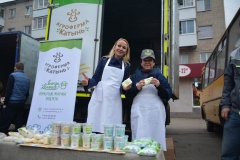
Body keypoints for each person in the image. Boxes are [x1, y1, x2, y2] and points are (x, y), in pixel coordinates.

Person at [125, 49, 172, 151]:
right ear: (141, 62)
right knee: (139, 136)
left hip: (155, 113)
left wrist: (159, 86)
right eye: (145, 60)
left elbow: (168, 95)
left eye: (150, 60)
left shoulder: (160, 76)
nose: (147, 62)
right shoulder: (134, 77)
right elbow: (127, 95)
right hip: (139, 112)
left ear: (154, 62)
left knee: (156, 136)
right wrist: (137, 88)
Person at [82, 38, 131, 133]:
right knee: (95, 122)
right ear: (114, 47)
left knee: (111, 127)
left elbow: (123, 86)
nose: (121, 48)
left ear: (126, 51)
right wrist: (87, 82)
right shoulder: (104, 60)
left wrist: (125, 88)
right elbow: (96, 79)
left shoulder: (126, 66)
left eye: (124, 47)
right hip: (100, 96)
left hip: (114, 99)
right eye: (119, 46)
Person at [220, 47, 240, 160]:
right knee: (228, 155)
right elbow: (228, 84)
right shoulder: (235, 55)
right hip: (236, 113)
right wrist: (226, 105)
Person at [0, 62, 30, 134]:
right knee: (18, 124)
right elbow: (27, 93)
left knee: (4, 123)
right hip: (21, 103)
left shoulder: (12, 76)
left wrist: (5, 102)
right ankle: (18, 138)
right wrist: (23, 100)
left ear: (15, 68)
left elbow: (9, 90)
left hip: (12, 102)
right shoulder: (27, 78)